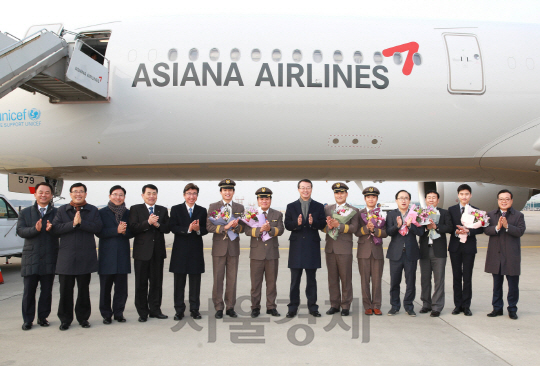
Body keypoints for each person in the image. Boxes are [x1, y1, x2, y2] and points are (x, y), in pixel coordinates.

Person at [52, 182, 102, 330]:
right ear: (70, 194)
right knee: (65, 291)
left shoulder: (92, 210)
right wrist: (73, 224)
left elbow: (98, 227)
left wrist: (82, 223)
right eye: (75, 191)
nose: (78, 194)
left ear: (85, 194)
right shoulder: (62, 210)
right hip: (66, 257)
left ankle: (83, 318)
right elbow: (55, 229)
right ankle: (65, 319)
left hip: (85, 256)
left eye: (81, 191)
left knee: (83, 291)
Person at [17, 182, 58, 331]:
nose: (44, 195)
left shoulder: (56, 213)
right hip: (31, 258)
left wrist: (52, 229)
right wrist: (34, 229)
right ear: (35, 194)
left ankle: (43, 317)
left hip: (49, 256)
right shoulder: (25, 212)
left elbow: (60, 231)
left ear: (51, 195)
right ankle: (28, 320)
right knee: (29, 291)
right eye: (41, 192)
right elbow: (20, 231)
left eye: (47, 192)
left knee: (46, 291)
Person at [284, 179, 326, 318]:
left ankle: (313, 307)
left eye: (308, 187)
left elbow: (321, 224)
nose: (305, 190)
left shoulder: (319, 206)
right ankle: (292, 307)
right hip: (296, 247)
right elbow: (287, 225)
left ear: (311, 189)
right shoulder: (291, 206)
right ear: (298, 189)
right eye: (302, 188)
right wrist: (297, 223)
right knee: (295, 280)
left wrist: (313, 223)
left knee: (311, 280)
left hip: (311, 246)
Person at [129, 184, 170, 322]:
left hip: (157, 252)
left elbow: (167, 228)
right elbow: (133, 228)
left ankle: (155, 310)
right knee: (141, 283)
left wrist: (157, 224)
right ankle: (142, 312)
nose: (151, 196)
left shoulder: (162, 210)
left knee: (156, 283)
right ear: (143, 195)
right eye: (148, 193)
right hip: (141, 252)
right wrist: (148, 222)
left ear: (157, 195)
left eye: (154, 193)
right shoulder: (135, 209)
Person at [484, 189, 525, 320]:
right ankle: (497, 308)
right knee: (497, 285)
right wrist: (497, 227)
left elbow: (520, 231)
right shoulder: (491, 214)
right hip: (496, 256)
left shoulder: (518, 215)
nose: (504, 201)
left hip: (511, 256)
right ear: (498, 200)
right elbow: (486, 229)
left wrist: (507, 226)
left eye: (507, 199)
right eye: (501, 199)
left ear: (511, 201)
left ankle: (512, 309)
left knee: (513, 285)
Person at [169, 183, 208, 321]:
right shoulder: (176, 209)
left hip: (195, 251)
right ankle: (179, 310)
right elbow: (172, 227)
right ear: (184, 195)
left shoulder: (202, 210)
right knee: (179, 283)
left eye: (194, 194)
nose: (192, 196)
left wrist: (198, 229)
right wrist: (188, 229)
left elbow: (205, 229)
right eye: (189, 193)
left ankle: (194, 309)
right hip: (180, 251)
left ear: (197, 196)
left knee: (195, 283)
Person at [206, 179, 245, 319]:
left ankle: (230, 307)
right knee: (218, 278)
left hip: (233, 247)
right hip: (219, 247)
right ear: (221, 192)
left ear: (233, 192)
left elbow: (244, 227)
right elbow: (209, 226)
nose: (227, 192)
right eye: (225, 190)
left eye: (230, 190)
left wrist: (236, 227)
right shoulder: (214, 206)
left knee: (232, 278)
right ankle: (218, 307)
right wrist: (224, 228)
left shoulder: (239, 208)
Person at [96, 185, 133, 324]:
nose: (118, 197)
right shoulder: (102, 212)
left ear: (124, 197)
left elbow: (132, 232)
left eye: (121, 195)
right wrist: (116, 230)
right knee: (105, 288)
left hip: (122, 255)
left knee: (121, 288)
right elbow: (99, 232)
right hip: (107, 256)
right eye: (115, 194)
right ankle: (106, 314)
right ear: (110, 196)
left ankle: (119, 313)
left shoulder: (128, 213)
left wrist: (124, 232)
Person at [245, 187, 284, 318]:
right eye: (262, 199)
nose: (264, 201)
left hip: (272, 254)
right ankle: (255, 307)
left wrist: (270, 229)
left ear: (270, 200)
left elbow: (281, 230)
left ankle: (271, 307)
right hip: (257, 253)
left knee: (271, 282)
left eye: (267, 198)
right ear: (258, 200)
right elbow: (247, 231)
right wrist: (260, 230)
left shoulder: (277, 214)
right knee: (255, 283)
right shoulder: (252, 214)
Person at [322, 183, 359, 316]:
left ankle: (345, 306)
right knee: (332, 279)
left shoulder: (353, 210)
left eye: (342, 193)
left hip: (344, 248)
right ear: (334, 194)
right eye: (337, 193)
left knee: (345, 278)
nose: (339, 195)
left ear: (346, 194)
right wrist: (329, 226)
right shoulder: (327, 209)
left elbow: (354, 228)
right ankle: (334, 304)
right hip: (330, 248)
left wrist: (340, 225)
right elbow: (322, 227)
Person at [385, 190, 425, 316]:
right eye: (401, 198)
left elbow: (421, 232)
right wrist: (398, 226)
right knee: (395, 282)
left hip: (411, 253)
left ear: (409, 201)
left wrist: (411, 226)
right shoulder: (392, 214)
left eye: (406, 198)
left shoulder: (415, 214)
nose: (403, 200)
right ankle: (394, 306)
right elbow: (388, 232)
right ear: (396, 200)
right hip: (396, 253)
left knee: (410, 281)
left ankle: (409, 306)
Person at [448, 184, 483, 316]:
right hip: (455, 247)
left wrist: (469, 231)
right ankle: (457, 305)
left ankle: (466, 306)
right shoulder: (451, 210)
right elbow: (449, 226)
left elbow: (481, 228)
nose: (464, 197)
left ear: (470, 195)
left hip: (469, 247)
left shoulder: (475, 210)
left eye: (467, 194)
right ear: (458, 195)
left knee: (467, 277)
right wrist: (456, 232)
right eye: (462, 194)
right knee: (457, 277)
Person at [418, 190, 452, 317]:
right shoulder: (421, 213)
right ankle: (426, 304)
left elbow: (449, 227)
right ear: (426, 200)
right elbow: (417, 230)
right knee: (425, 279)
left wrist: (436, 227)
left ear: (438, 200)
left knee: (439, 280)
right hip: (425, 250)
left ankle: (437, 307)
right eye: (429, 197)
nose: (431, 200)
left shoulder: (444, 213)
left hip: (439, 250)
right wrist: (425, 227)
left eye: (434, 198)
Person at [355, 186, 387, 316]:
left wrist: (375, 230)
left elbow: (385, 233)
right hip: (363, 250)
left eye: (373, 197)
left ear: (377, 198)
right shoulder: (359, 213)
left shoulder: (382, 214)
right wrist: (367, 229)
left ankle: (377, 305)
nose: (371, 199)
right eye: (368, 197)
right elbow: (356, 231)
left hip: (377, 251)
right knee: (364, 280)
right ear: (365, 199)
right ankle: (367, 305)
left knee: (377, 279)